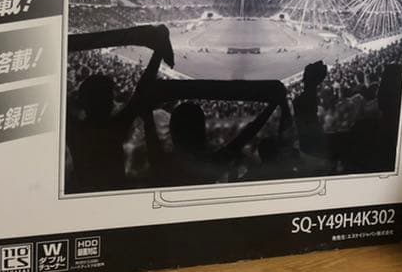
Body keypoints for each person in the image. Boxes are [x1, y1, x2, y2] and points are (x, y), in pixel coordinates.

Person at [66, 25, 174, 192]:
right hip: (115, 190)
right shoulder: (117, 126)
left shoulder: (71, 128)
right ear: (111, 100)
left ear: (81, 100)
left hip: (83, 191)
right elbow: (143, 88)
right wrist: (159, 50)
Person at [142, 79, 293, 186]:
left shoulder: (160, 162)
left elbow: (147, 118)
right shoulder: (209, 165)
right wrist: (273, 105)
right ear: (201, 131)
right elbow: (247, 134)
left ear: (173, 130)